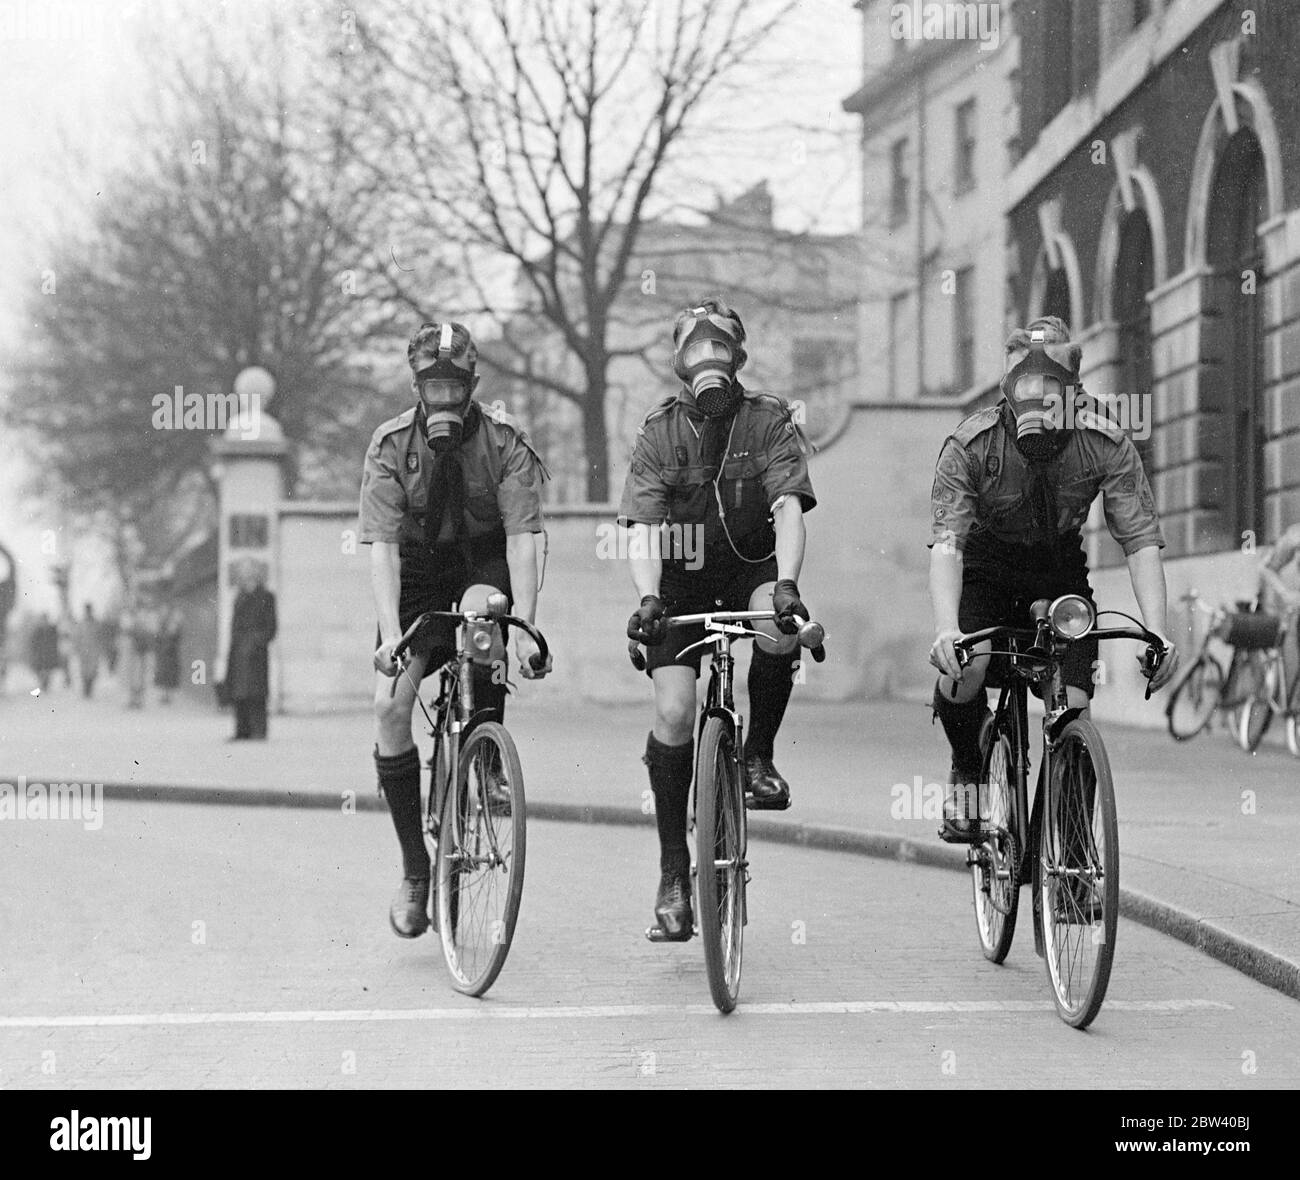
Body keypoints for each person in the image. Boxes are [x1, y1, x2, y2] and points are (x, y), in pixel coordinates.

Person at [927, 316, 1179, 841]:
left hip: (1058, 569)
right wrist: (947, 627)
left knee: (1075, 704)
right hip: (986, 566)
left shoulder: (1103, 438)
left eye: (1051, 393)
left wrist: (1159, 630)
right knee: (965, 668)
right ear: (1006, 392)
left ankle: (1070, 856)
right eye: (1025, 391)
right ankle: (967, 772)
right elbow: (949, 542)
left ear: (1074, 391)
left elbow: (1139, 539)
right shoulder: (971, 445)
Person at [619, 295, 817, 941]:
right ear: (679, 362)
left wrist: (786, 584)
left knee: (776, 629)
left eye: (720, 346)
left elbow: (788, 502)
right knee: (675, 712)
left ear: (739, 356)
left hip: (750, 571)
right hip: (679, 585)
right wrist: (648, 596)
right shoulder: (659, 431)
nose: (709, 357)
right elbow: (644, 526)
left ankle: (757, 757)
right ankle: (674, 870)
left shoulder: (768, 420)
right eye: (694, 348)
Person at [360, 320, 552, 938]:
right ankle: (416, 870)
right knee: (389, 706)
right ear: (417, 385)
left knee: (483, 613)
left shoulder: (504, 442)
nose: (443, 398)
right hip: (417, 570)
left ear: (472, 382)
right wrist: (391, 636)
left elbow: (525, 535)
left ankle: (487, 752)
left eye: (454, 384)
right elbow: (383, 546)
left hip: (480, 562)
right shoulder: (391, 445)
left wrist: (526, 625)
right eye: (430, 385)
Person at [227, 563, 277, 739]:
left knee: (257, 694)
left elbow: (271, 627)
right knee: (239, 693)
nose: (246, 579)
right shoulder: (240, 596)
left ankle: (258, 731)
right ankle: (242, 731)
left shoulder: (267, 596)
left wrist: (257, 642)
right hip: (239, 651)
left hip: (256, 654)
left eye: (249, 576)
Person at [72, 603, 103, 699]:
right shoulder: (81, 623)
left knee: (92, 670)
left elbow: (100, 637)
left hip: (94, 650)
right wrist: (76, 647)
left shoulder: (96, 623)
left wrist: (100, 648)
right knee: (84, 671)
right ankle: (85, 689)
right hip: (83, 650)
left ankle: (90, 688)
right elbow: (77, 636)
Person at [154, 604, 183, 704]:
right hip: (164, 653)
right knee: (164, 673)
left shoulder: (173, 624)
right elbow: (158, 638)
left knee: (170, 674)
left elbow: (176, 637)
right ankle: (164, 695)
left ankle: (168, 695)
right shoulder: (162, 624)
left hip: (171, 653)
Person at [29, 612, 60, 693]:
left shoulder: (52, 630)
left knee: (47, 670)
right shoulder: (38, 630)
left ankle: (46, 684)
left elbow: (55, 641)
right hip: (40, 654)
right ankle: (43, 683)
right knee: (40, 670)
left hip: (49, 654)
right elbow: (33, 642)